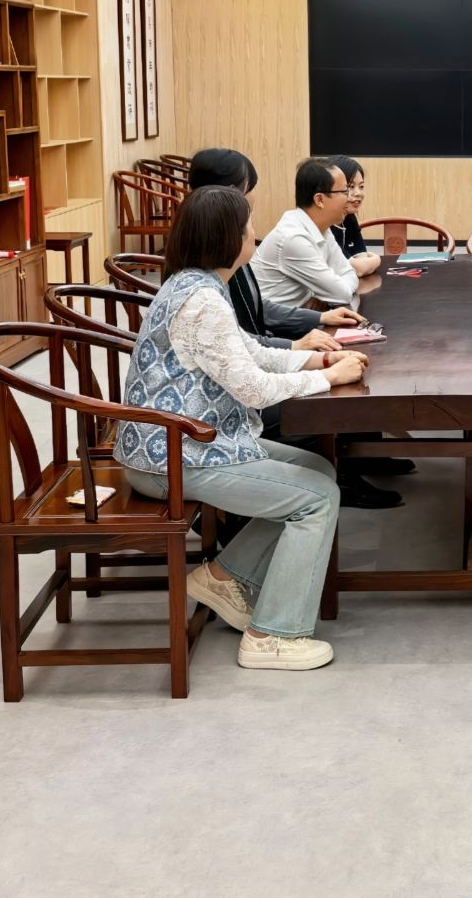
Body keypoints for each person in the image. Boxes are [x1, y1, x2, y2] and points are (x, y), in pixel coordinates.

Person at [114, 185, 371, 672]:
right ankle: (273, 635)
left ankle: (225, 578)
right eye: (249, 226)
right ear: (227, 238)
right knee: (316, 498)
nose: (256, 234)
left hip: (176, 447)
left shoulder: (193, 284)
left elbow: (248, 353)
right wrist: (327, 379)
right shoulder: (203, 300)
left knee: (318, 469)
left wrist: (315, 360)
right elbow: (253, 389)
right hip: (175, 459)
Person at [189, 147, 405, 509]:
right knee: (342, 376)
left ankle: (360, 454)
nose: (257, 231)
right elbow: (249, 371)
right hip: (217, 408)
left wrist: (315, 326)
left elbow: (252, 329)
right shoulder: (208, 282)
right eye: (249, 191)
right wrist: (321, 370)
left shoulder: (212, 265)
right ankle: (344, 472)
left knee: (344, 355)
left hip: (260, 345)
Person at [188, 148, 363, 350]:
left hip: (267, 337)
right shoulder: (207, 274)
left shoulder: (220, 251)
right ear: (229, 193)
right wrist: (297, 347)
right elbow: (239, 345)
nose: (253, 197)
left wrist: (318, 318)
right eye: (250, 188)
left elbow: (258, 308)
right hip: (266, 341)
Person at [252, 158, 379, 313]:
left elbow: (348, 272)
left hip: (301, 315)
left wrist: (337, 287)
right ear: (319, 200)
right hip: (272, 324)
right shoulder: (294, 238)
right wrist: (336, 288)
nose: (349, 198)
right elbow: (341, 294)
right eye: (344, 191)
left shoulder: (322, 228)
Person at [323, 154, 384, 271]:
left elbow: (362, 257)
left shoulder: (349, 217)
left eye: (361, 187)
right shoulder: (323, 225)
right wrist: (376, 259)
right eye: (350, 186)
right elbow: (358, 268)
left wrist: (364, 264)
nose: (358, 193)